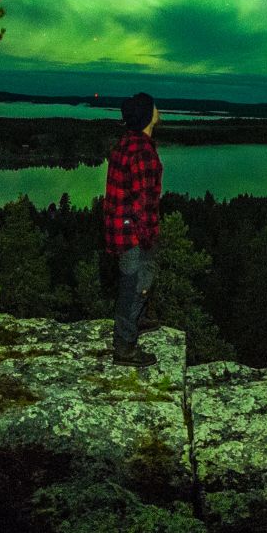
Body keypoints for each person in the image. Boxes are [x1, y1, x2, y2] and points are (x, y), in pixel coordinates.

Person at [104, 92, 163, 367]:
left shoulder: (126, 143)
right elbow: (143, 203)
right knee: (135, 283)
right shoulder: (143, 153)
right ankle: (125, 347)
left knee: (136, 280)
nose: (158, 109)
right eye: (154, 106)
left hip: (119, 228)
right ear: (147, 116)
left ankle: (136, 320)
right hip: (134, 233)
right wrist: (149, 237)